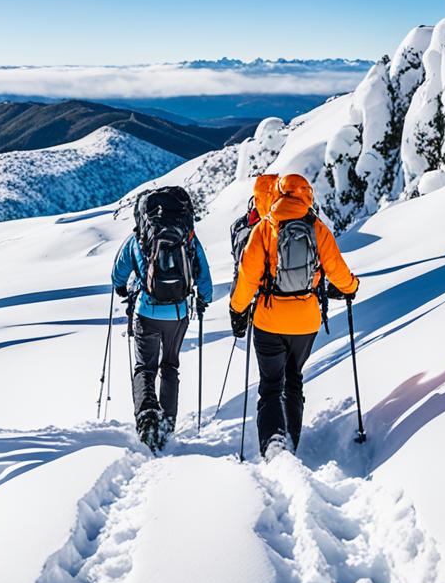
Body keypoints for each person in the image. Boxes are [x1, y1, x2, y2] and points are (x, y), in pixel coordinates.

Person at [228, 174, 359, 458]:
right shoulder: (317, 228)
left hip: (268, 320)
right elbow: (338, 271)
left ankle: (273, 443)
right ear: (306, 196)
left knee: (271, 386)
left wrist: (237, 310)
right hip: (305, 322)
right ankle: (292, 441)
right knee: (293, 378)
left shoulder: (264, 228)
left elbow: (247, 279)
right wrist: (352, 287)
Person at [110, 189, 213, 448]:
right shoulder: (188, 237)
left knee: (145, 367)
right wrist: (203, 299)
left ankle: (146, 414)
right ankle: (167, 422)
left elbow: (117, 274)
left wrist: (123, 289)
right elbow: (204, 273)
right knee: (170, 366)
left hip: (146, 311)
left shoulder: (140, 239)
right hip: (178, 313)